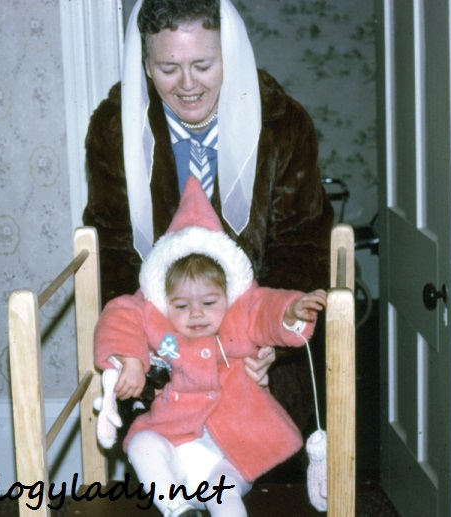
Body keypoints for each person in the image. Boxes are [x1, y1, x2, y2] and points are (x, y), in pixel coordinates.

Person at [82, 0, 334, 436]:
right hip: (160, 353)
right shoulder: (113, 130)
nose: (187, 85)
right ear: (145, 66)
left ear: (229, 56)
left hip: (260, 350)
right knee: (160, 454)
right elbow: (114, 251)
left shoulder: (283, 125)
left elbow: (303, 244)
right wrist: (152, 346)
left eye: (202, 65)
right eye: (168, 68)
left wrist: (266, 339)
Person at [94, 178, 327, 517]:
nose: (196, 314)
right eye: (182, 306)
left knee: (224, 495)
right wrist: (130, 359)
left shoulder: (238, 315)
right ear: (164, 302)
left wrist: (291, 312)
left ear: (228, 297)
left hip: (227, 454)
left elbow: (266, 308)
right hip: (172, 442)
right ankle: (176, 509)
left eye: (208, 302)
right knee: (140, 444)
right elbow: (121, 314)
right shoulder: (158, 321)